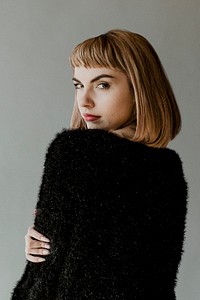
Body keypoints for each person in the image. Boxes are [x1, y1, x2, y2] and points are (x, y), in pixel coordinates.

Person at [11, 29, 188, 299]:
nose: (84, 100)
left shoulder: (73, 153)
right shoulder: (168, 169)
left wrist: (42, 256)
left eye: (102, 84)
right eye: (78, 85)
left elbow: (46, 278)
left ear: (139, 88)